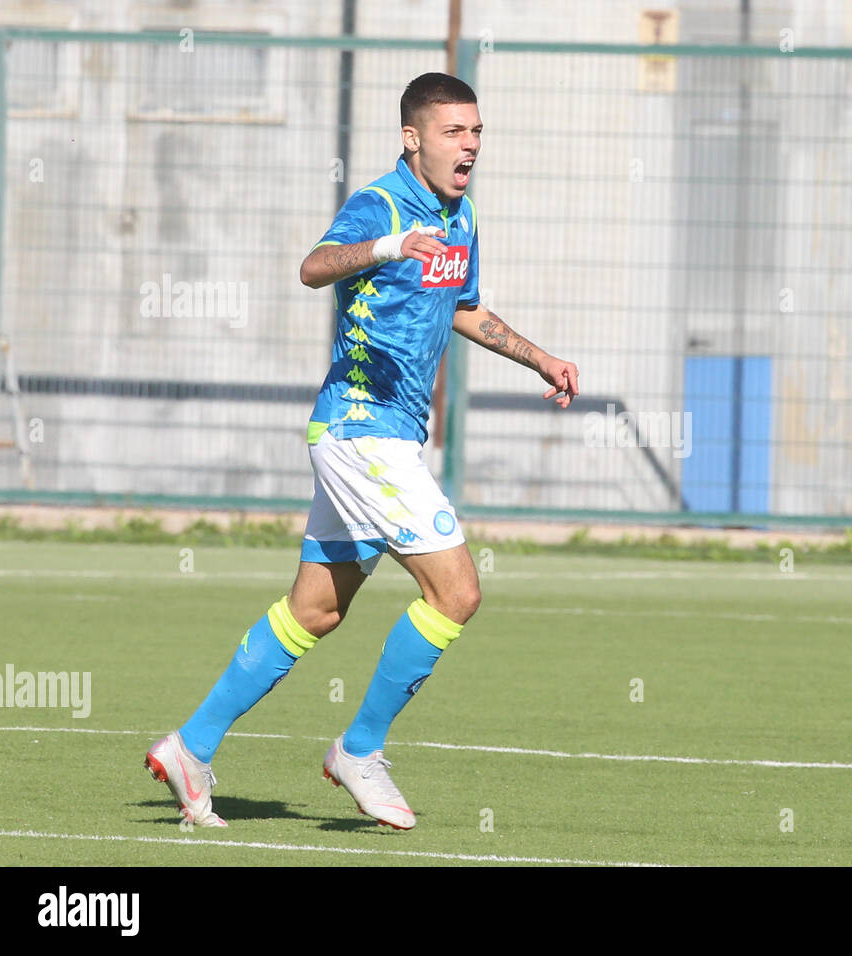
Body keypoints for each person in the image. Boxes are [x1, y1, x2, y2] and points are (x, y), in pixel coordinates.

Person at [145, 72, 579, 830]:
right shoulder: (380, 203)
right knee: (457, 593)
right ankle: (359, 748)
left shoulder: (462, 214)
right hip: (359, 427)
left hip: (382, 436)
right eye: (453, 131)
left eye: (476, 131)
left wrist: (538, 357)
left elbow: (464, 307)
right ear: (412, 137)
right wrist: (385, 247)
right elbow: (314, 267)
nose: (469, 144)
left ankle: (192, 745)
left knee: (313, 612)